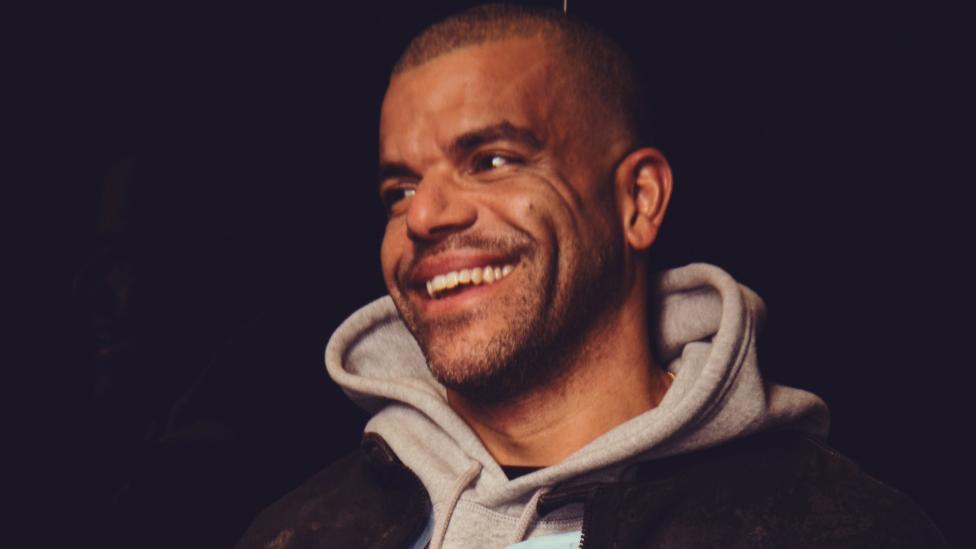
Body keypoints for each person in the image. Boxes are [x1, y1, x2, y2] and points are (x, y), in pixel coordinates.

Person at [237, 5, 946, 548]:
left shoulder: (837, 529)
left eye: (492, 160)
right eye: (399, 189)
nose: (422, 216)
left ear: (637, 201)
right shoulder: (300, 530)